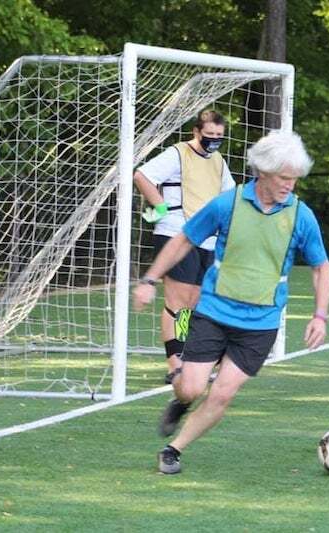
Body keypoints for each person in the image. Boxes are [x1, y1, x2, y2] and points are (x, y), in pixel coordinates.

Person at [133, 129, 329, 475]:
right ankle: (180, 401)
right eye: (284, 178)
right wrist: (150, 279)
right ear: (263, 172)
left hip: (260, 324)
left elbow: (321, 268)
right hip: (214, 313)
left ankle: (173, 449)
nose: (290, 185)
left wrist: (320, 316)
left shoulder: (301, 216)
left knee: (222, 394)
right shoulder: (229, 203)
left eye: (295, 179)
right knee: (191, 388)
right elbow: (183, 240)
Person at [134, 110, 235, 384]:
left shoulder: (218, 162)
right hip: (175, 233)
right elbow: (142, 175)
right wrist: (160, 206)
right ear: (196, 131)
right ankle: (174, 363)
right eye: (209, 135)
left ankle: (191, 357)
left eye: (219, 137)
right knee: (178, 302)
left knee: (196, 302)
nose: (213, 141)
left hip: (208, 238)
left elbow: (229, 195)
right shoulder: (177, 154)